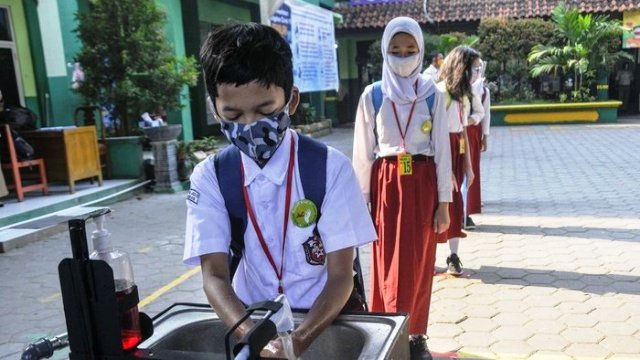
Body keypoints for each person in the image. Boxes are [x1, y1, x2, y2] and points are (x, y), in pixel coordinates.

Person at [184, 23, 376, 358]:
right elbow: (214, 277)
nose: (249, 126)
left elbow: (342, 276)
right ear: (216, 109)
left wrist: (296, 341)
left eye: (264, 111)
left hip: (325, 318)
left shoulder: (329, 168)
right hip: (251, 316)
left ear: (291, 101)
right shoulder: (211, 177)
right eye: (233, 114)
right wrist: (253, 336)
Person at [352, 17, 452, 359]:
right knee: (386, 261)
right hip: (386, 184)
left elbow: (442, 150)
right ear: (384, 51)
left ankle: (416, 337)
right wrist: (360, 205)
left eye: (410, 50)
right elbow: (363, 155)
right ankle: (386, 332)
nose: (403, 56)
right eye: (395, 50)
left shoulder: (433, 95)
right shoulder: (373, 94)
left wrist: (444, 203)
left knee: (421, 262)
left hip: (422, 182)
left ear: (421, 51)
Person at [435, 46, 482, 276]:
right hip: (442, 151)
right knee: (438, 204)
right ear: (461, 68)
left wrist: (468, 167)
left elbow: (462, 129)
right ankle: (429, 258)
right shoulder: (439, 93)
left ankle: (453, 256)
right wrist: (446, 170)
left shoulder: (463, 95)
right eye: (473, 68)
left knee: (456, 204)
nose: (476, 73)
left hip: (457, 151)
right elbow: (436, 134)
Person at [465, 60, 491, 228]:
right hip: (454, 132)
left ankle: (468, 209)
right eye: (472, 68)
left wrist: (484, 135)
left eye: (477, 69)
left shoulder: (483, 91)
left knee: (471, 168)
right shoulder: (453, 89)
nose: (475, 72)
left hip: (472, 131)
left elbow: (485, 113)